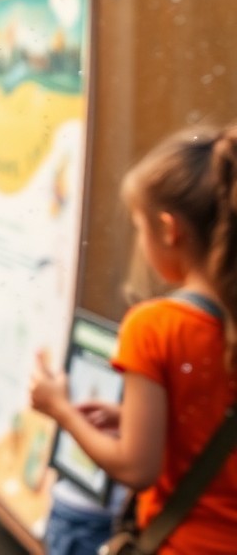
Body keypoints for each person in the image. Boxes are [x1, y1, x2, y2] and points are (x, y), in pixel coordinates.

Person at [31, 126, 237, 555]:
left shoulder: (156, 326)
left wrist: (61, 410)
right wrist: (136, 416)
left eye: (139, 227)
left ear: (168, 229)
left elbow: (135, 468)